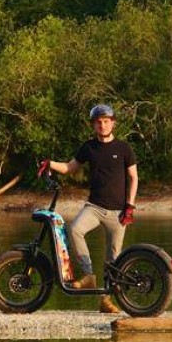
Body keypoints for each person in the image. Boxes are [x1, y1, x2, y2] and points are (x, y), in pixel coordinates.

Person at [43, 104, 138, 314]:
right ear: (94, 125)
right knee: (75, 229)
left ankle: (105, 302)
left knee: (112, 261)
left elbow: (133, 177)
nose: (102, 125)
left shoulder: (124, 148)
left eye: (106, 121)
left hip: (118, 212)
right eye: (98, 122)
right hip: (95, 206)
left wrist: (130, 206)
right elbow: (70, 168)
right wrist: (50, 164)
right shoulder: (89, 147)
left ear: (113, 123)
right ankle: (88, 276)